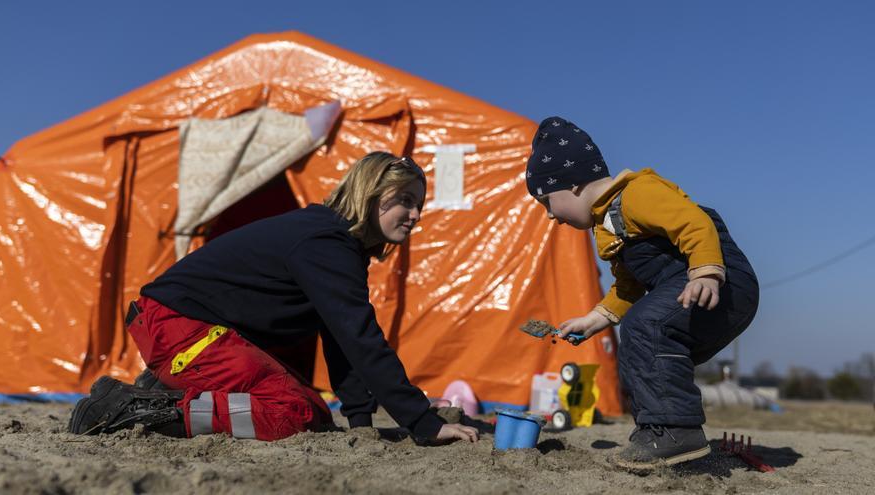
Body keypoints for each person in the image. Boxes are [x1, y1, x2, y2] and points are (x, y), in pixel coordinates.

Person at [69, 151, 479, 444]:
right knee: (294, 412)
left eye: (419, 204)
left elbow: (338, 338)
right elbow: (360, 337)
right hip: (179, 328)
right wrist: (422, 422)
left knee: (313, 411)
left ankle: (163, 390)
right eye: (404, 200)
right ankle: (136, 411)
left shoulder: (335, 244)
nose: (415, 215)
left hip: (184, 327)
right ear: (371, 194)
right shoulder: (325, 243)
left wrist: (360, 420)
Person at [525, 116, 759, 470]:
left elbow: (694, 223)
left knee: (644, 327)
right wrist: (594, 319)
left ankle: (676, 431)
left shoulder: (636, 194)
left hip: (721, 283)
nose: (550, 217)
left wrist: (706, 272)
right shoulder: (607, 227)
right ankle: (657, 432)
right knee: (640, 351)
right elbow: (628, 284)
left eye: (547, 202)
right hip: (688, 287)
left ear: (572, 186)